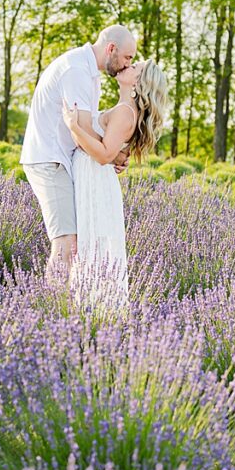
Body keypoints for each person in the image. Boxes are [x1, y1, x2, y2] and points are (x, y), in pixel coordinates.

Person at [20, 25, 137, 286]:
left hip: (60, 159)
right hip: (50, 160)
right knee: (66, 243)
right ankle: (54, 308)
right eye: (127, 58)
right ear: (111, 49)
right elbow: (80, 131)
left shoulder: (88, 72)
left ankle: (67, 305)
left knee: (74, 243)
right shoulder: (77, 71)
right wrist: (112, 154)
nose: (128, 64)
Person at [61, 59, 169, 310]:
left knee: (92, 245)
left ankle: (93, 312)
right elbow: (110, 151)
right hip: (94, 177)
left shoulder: (124, 112)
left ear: (138, 83)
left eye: (135, 68)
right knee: (90, 245)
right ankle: (88, 309)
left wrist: (73, 127)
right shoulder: (124, 109)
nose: (127, 67)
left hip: (95, 178)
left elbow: (103, 155)